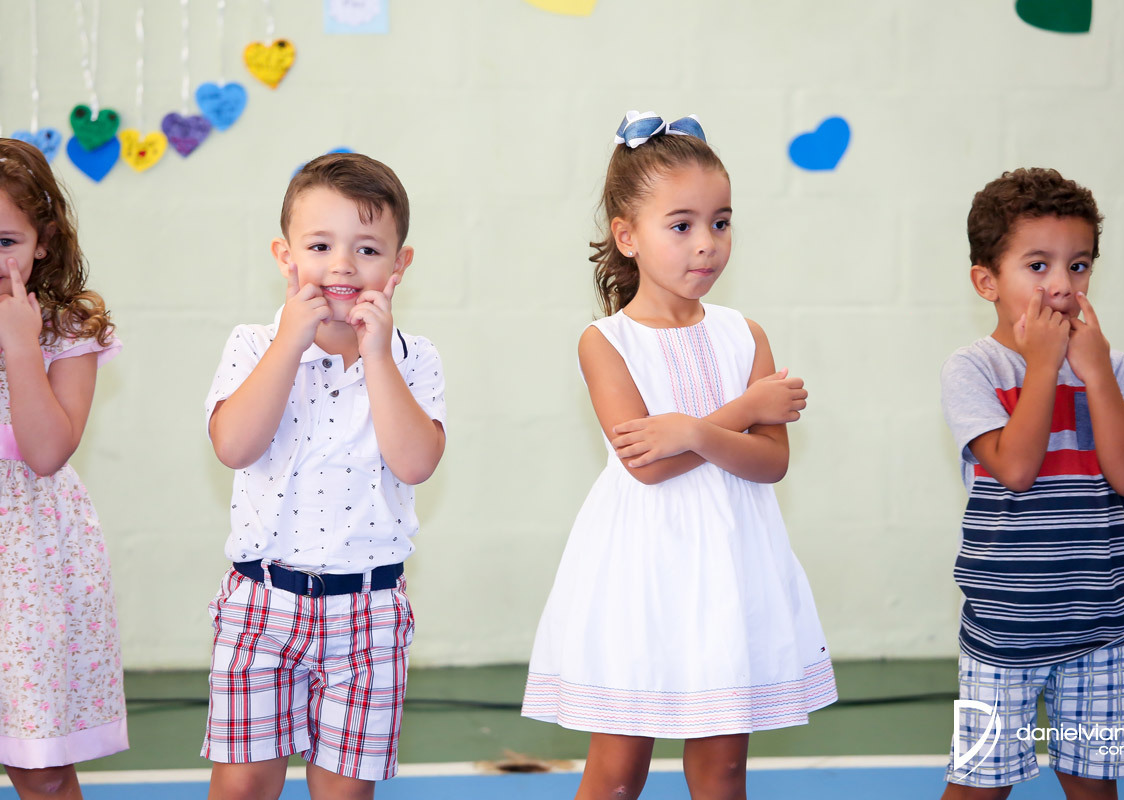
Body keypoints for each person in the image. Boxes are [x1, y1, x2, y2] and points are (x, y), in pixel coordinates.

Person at [522, 112, 837, 800]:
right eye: (682, 224)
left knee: (723, 769)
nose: (706, 243)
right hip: (641, 571)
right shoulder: (606, 342)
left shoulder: (745, 335)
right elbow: (649, 463)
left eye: (721, 222)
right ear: (627, 236)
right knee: (618, 772)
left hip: (730, 567)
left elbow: (771, 462)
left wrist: (693, 430)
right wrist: (737, 414)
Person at [202, 153, 446, 800]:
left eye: (367, 249)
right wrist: (290, 341)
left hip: (369, 610)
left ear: (399, 265)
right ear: (285, 257)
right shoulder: (253, 344)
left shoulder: (414, 358)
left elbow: (416, 462)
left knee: (345, 790)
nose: (342, 265)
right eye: (320, 246)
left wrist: (376, 355)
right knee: (242, 785)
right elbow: (233, 445)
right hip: (262, 602)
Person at [940, 168, 1124, 799]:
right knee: (979, 786)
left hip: (1104, 629)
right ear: (987, 281)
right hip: (1004, 632)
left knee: (1093, 785)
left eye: (1078, 265)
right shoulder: (973, 369)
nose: (1062, 285)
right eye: (1038, 265)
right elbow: (1015, 469)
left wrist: (1095, 374)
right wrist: (1043, 367)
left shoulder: (1110, 367)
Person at [0, 138, 127, 798]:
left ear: (43, 242)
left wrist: (21, 348)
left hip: (29, 563)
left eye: (5, 241)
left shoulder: (67, 328)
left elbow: (47, 451)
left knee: (40, 765)